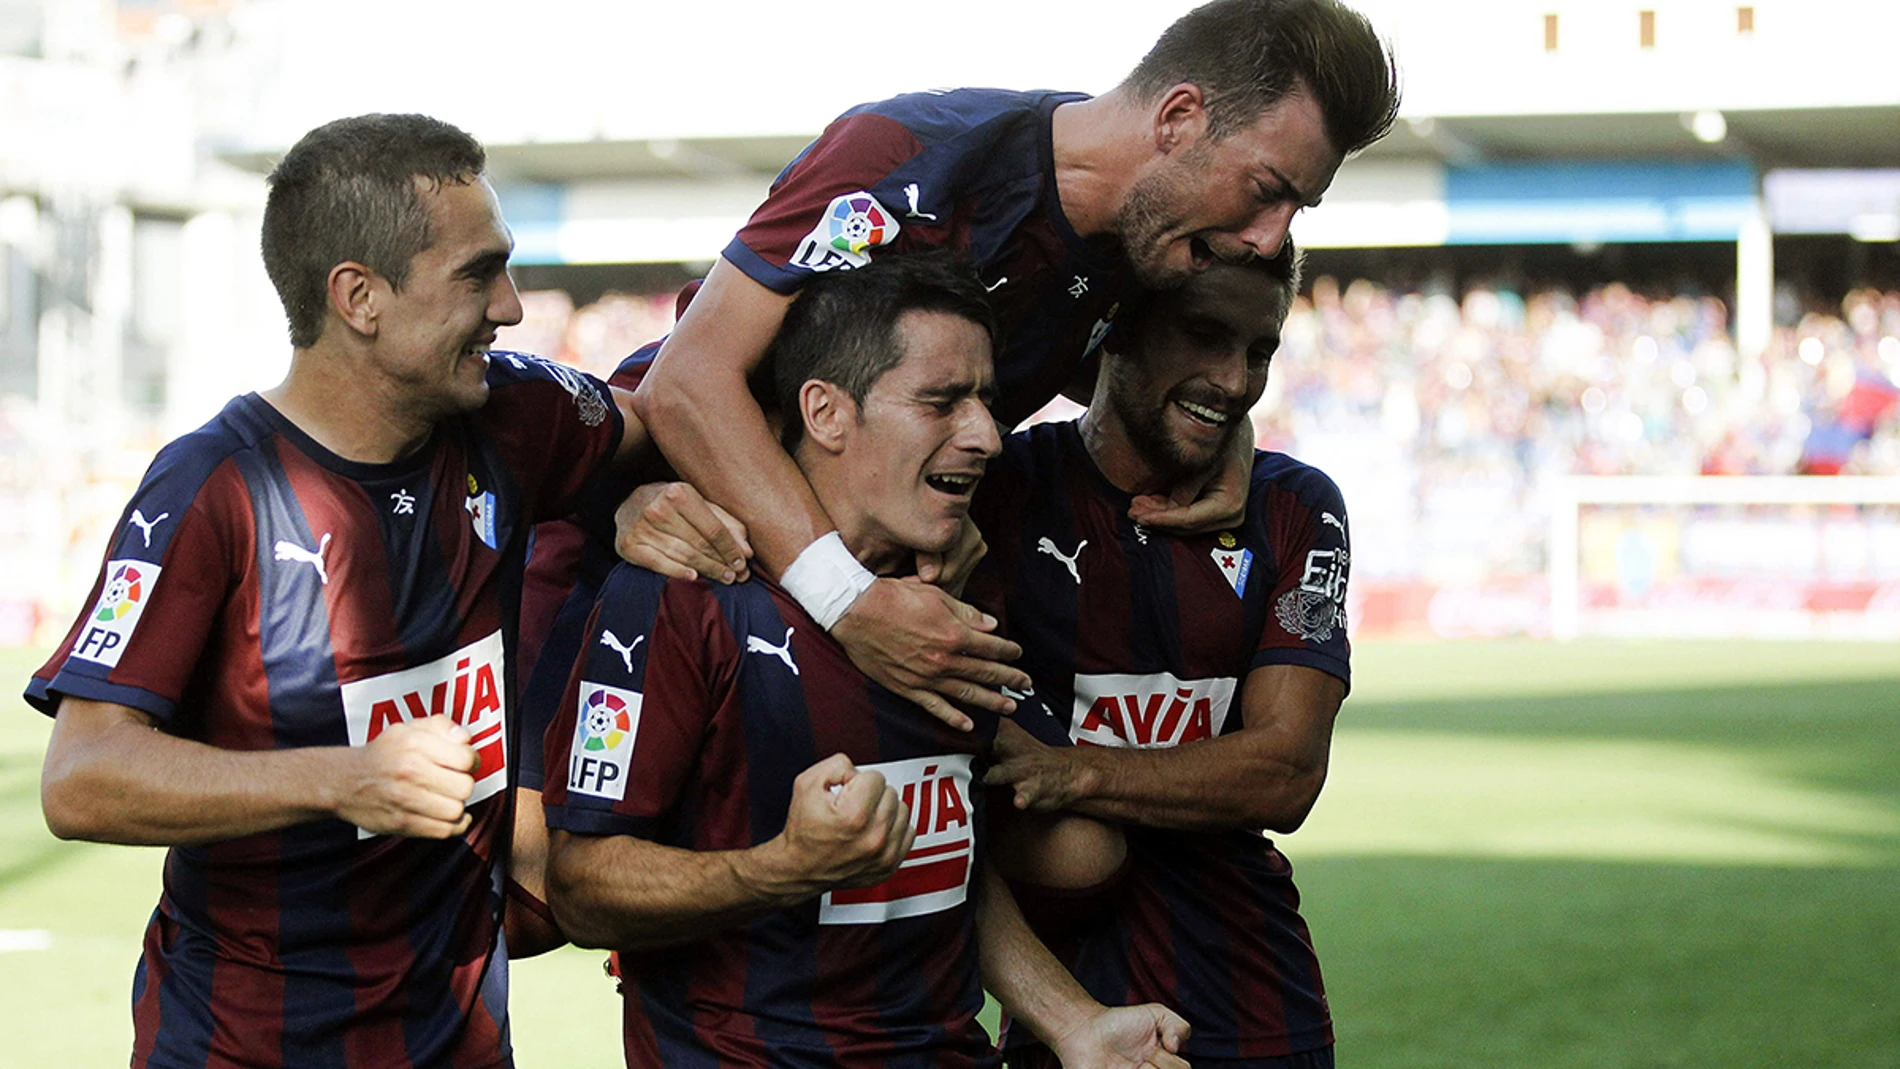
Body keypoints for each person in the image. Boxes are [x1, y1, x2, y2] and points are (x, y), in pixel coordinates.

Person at [28, 113, 664, 1069]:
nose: (512, 307)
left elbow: (664, 419)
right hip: (245, 1047)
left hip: (461, 1044)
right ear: (358, 297)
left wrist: (644, 499)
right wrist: (344, 776)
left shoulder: (515, 415)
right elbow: (82, 778)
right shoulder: (214, 487)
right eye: (477, 273)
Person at [633, 0, 1398, 729]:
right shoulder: (914, 157)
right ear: (1178, 118)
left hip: (849, 591)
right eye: (1268, 191)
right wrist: (850, 601)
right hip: (663, 534)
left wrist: (1223, 435)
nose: (1270, 239)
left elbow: (1115, 375)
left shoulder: (1148, 250)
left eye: (1297, 209)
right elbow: (686, 382)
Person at [541, 253, 1190, 1068]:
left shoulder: (947, 594)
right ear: (826, 412)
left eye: (987, 401)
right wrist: (780, 868)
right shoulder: (685, 593)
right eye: (941, 401)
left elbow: (942, 858)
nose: (986, 435)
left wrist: (1072, 1021)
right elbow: (578, 887)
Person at [965, 246, 1352, 1068]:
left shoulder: (1294, 506)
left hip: (1255, 1000)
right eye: (1203, 334)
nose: (1234, 378)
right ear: (1117, 326)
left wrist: (1078, 772)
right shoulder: (995, 489)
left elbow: (1285, 772)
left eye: (1259, 351)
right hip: (1064, 1013)